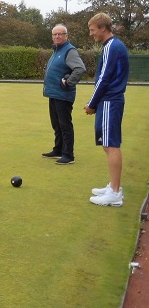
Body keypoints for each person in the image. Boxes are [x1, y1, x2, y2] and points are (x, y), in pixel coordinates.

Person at [84, 13, 129, 207]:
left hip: (110, 100)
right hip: (108, 101)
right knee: (107, 143)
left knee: (112, 145)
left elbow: (104, 78)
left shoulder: (112, 46)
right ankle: (113, 186)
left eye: (93, 30)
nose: (91, 33)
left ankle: (116, 193)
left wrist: (92, 104)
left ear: (103, 28)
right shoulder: (111, 46)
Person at [42, 24, 86, 165]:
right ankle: (58, 150)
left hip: (63, 94)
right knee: (56, 124)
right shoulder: (56, 50)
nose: (57, 36)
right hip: (54, 94)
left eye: (60, 34)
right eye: (55, 34)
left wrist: (68, 82)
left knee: (65, 124)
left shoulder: (69, 50)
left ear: (66, 35)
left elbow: (79, 69)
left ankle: (68, 155)